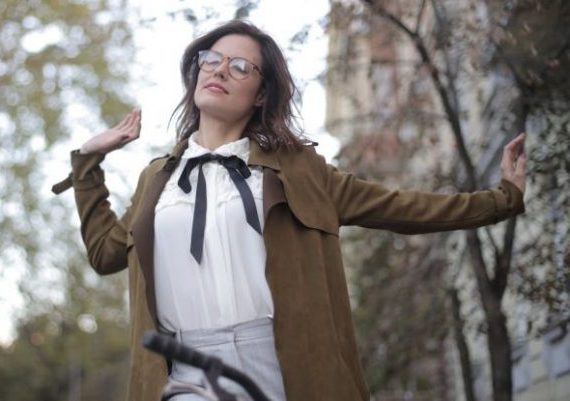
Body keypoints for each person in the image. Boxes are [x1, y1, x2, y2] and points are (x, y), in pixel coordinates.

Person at [53, 20, 526, 401]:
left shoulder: (299, 172)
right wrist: (88, 163)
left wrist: (503, 196)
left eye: (240, 67)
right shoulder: (156, 180)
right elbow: (104, 253)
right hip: (182, 369)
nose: (218, 71)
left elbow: (405, 207)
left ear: (260, 94)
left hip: (281, 362)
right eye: (211, 60)